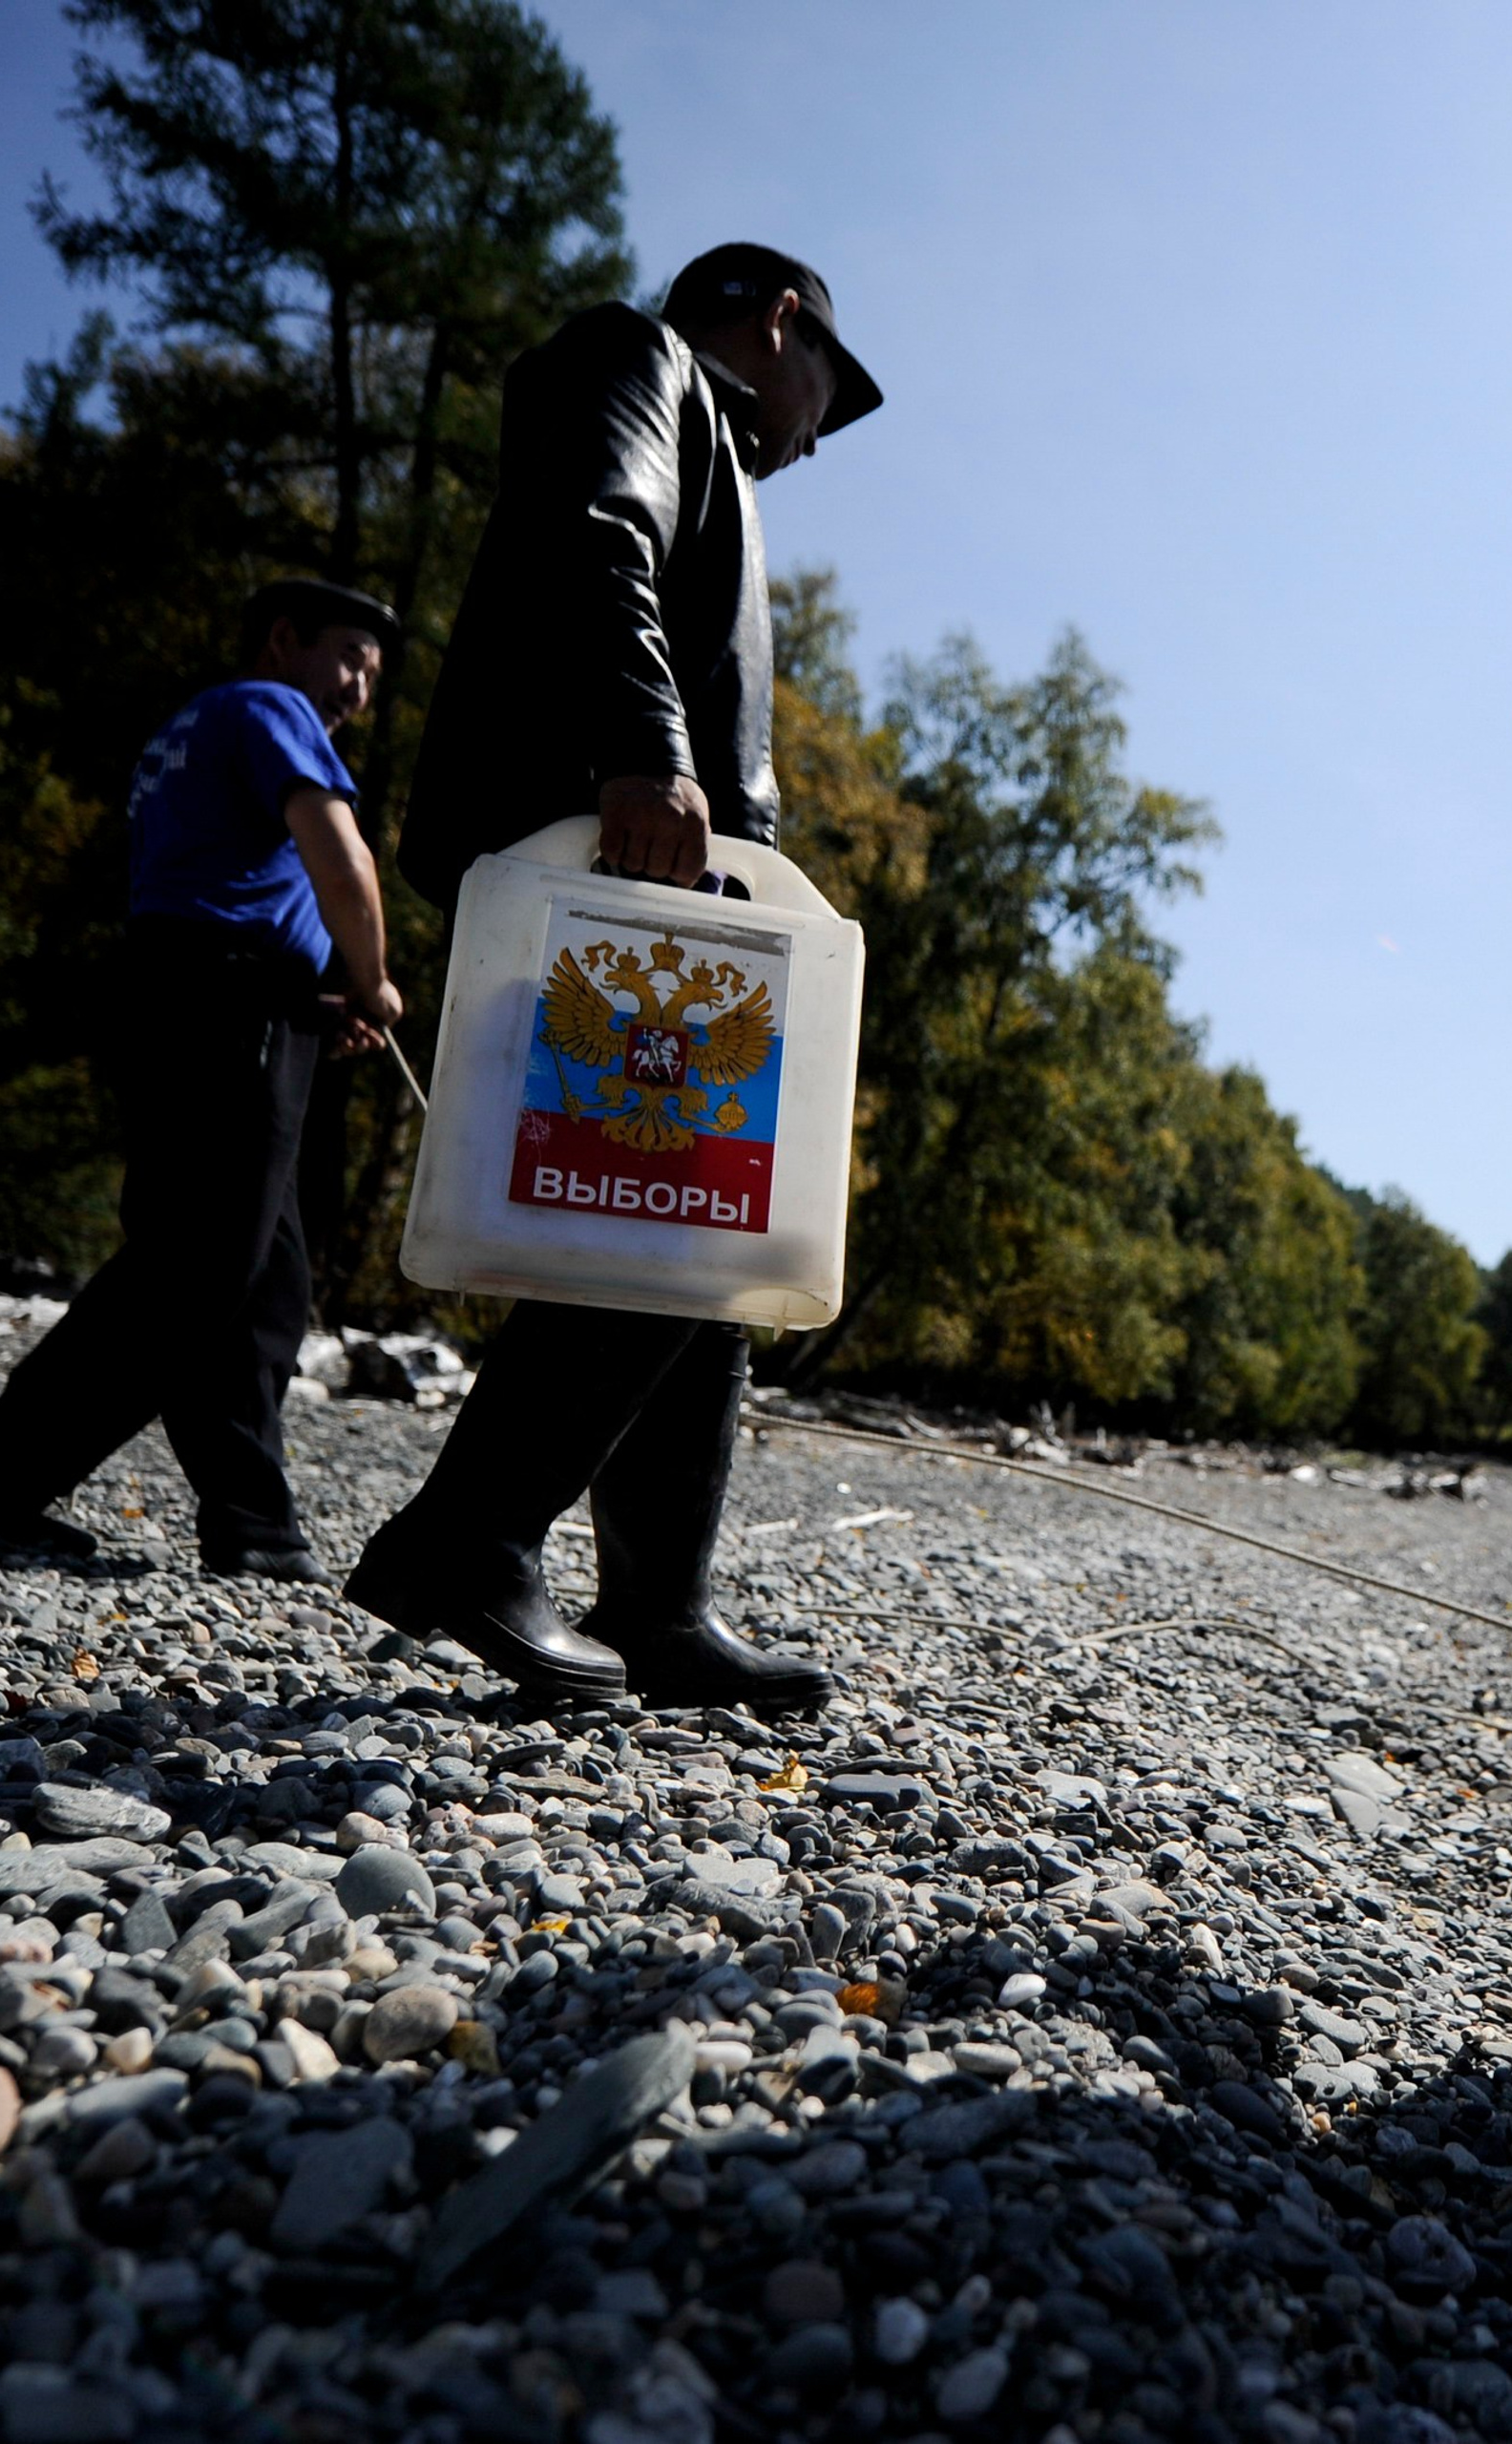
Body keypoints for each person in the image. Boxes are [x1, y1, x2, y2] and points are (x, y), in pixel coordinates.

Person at [346, 243, 881, 1714]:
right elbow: (596, 529)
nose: (821, 429)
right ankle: (468, 1535)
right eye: (829, 384)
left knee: (718, 1221)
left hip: (658, 868)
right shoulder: (639, 363)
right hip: (606, 846)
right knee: (679, 1201)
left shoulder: (724, 449)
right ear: (777, 320)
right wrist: (647, 745)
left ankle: (660, 1605)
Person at [0, 579, 405, 1578]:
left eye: (371, 676)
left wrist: (309, 1011)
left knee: (268, 1280)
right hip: (223, 1005)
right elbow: (340, 859)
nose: (358, 693)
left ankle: (253, 1522)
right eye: (349, 661)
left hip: (206, 998)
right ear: (283, 640)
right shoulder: (273, 706)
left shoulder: (185, 732)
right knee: (194, 1263)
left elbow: (202, 888)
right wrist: (371, 983)